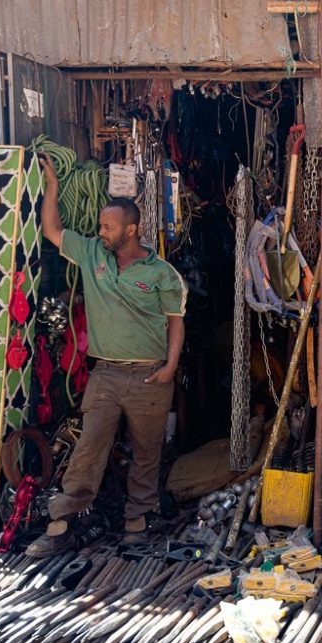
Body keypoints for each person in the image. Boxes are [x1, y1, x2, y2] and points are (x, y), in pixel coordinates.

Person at [27, 156, 186, 556]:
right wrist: (52, 186)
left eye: (108, 227)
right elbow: (52, 230)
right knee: (88, 449)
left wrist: (170, 366)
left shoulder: (161, 273)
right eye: (100, 226)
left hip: (150, 376)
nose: (101, 232)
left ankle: (137, 520)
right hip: (106, 375)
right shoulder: (92, 255)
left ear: (131, 229)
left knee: (147, 452)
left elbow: (175, 322)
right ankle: (61, 524)